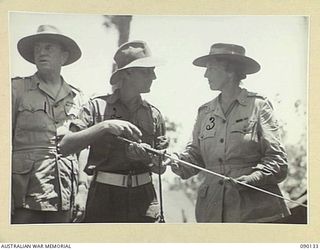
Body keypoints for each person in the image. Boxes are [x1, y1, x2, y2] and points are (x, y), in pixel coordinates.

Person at [11, 25, 141, 224]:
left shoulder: (79, 98)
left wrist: (82, 189)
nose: (41, 52)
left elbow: (83, 149)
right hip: (23, 195)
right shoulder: (16, 89)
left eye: (48, 47)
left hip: (64, 194)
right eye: (37, 48)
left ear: (64, 56)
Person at [169, 43, 290, 223]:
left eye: (211, 68)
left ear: (230, 71)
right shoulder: (205, 112)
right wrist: (176, 161)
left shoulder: (258, 106)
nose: (205, 74)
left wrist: (251, 179)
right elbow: (194, 157)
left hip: (255, 212)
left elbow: (278, 161)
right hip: (212, 212)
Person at [60, 40, 168, 223]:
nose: (154, 77)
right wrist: (105, 126)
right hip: (104, 198)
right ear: (127, 73)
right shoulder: (96, 107)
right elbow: (64, 146)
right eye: (147, 71)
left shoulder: (154, 115)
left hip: (144, 201)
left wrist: (146, 158)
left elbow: (160, 168)